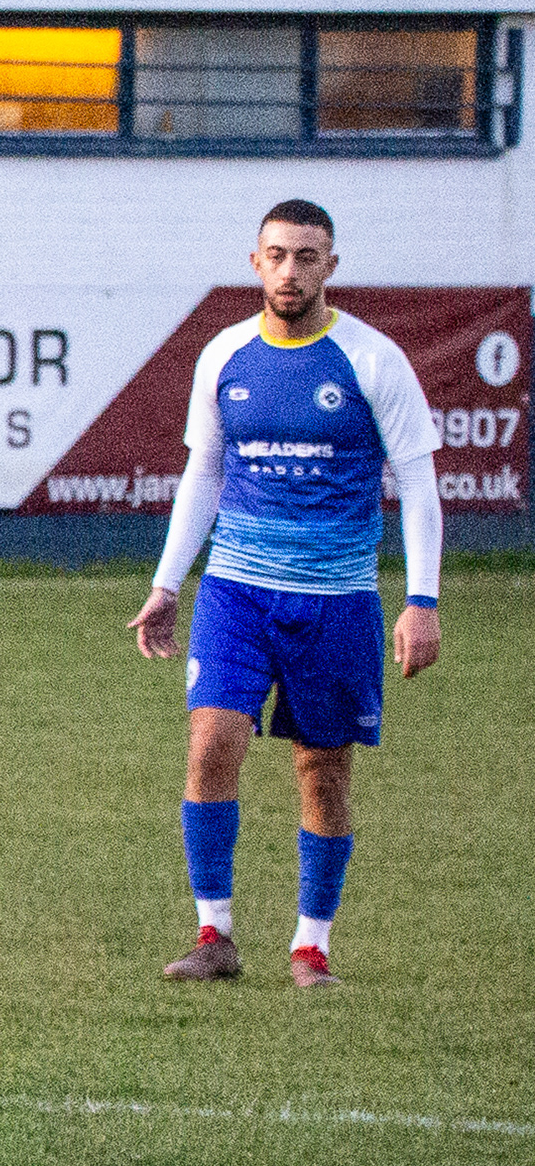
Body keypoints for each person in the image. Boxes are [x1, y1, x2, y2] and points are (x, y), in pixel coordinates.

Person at [128, 201, 441, 990]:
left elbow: (421, 484)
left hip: (336, 601)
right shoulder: (225, 354)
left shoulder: (372, 360)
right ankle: (214, 935)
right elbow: (205, 473)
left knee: (322, 773)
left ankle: (311, 947)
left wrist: (423, 599)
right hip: (236, 592)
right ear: (255, 261)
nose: (291, 271)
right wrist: (169, 584)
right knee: (209, 745)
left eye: (307, 256)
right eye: (277, 255)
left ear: (330, 266)